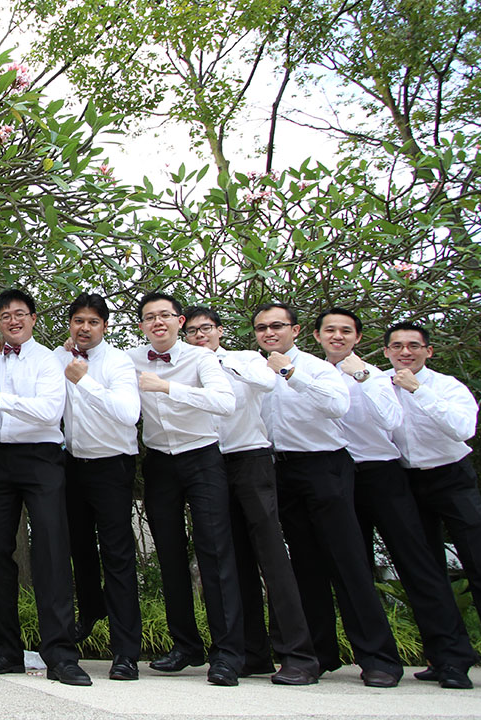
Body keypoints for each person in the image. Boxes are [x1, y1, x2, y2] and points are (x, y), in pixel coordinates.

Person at [312, 309, 476, 689]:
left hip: (382, 474)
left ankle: (450, 659)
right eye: (330, 330)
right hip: (337, 477)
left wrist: (362, 375)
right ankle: (375, 659)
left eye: (346, 331)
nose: (337, 336)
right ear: (317, 336)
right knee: (352, 571)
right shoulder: (311, 374)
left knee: (418, 565)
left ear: (358, 337)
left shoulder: (376, 375)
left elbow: (391, 421)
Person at [253, 302, 403, 687]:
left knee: (347, 562)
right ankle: (316, 656)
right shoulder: (258, 370)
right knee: (305, 567)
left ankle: (379, 659)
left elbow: (337, 406)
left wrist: (290, 373)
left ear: (296, 330)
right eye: (262, 328)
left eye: (277, 326)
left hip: (326, 467)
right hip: (282, 469)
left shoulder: (318, 368)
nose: (269, 333)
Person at [182, 305, 318, 685]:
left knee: (272, 557)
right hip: (209, 464)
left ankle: (298, 656)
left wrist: (217, 364)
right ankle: (252, 652)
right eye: (192, 331)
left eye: (206, 328)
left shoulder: (245, 358)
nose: (199, 336)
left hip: (250, 459)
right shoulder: (183, 368)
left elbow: (266, 384)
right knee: (231, 560)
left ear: (220, 330)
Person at [0, 288, 89, 686]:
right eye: (5, 316)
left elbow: (50, 412)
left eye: (20, 314)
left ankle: (61, 655)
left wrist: (0, 397)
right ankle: (6, 651)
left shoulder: (49, 360)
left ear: (33, 318)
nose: (13, 321)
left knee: (51, 550)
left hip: (42, 457)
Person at [384, 321, 481, 691]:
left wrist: (418, 390)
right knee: (424, 572)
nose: (405, 352)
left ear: (428, 351)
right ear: (387, 352)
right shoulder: (379, 385)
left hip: (452, 477)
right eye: (397, 346)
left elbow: (463, 428)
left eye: (413, 345)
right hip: (406, 480)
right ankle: (449, 660)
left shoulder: (447, 386)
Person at [127, 292, 242, 687]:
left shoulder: (201, 358)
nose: (157, 322)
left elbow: (225, 402)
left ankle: (227, 654)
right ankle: (185, 645)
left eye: (165, 315)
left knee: (214, 551)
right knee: (170, 554)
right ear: (141, 326)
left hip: (202, 457)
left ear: (179, 321)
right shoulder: (130, 359)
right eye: (149, 317)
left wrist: (167, 388)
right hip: (159, 462)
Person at [54, 293, 142, 681]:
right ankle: (91, 610)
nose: (85, 328)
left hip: (112, 466)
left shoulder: (118, 362)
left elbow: (128, 414)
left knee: (117, 556)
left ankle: (125, 652)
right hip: (73, 466)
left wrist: (84, 380)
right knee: (79, 549)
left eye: (92, 322)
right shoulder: (60, 357)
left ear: (104, 326)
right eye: (78, 321)